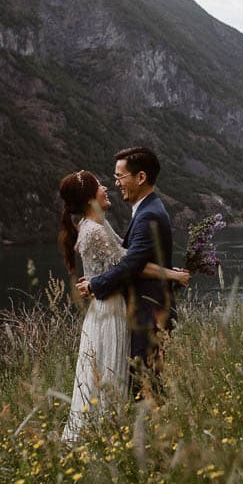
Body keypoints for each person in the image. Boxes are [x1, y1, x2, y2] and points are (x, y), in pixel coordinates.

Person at [58, 169, 187, 442]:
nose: (106, 187)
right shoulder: (93, 230)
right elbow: (131, 265)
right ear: (90, 198)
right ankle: (100, 437)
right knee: (108, 373)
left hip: (111, 306)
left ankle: (105, 436)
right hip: (109, 311)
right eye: (99, 186)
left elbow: (126, 259)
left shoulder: (96, 225)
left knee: (108, 374)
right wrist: (173, 274)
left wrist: (94, 280)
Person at [76, 147, 176, 398]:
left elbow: (131, 265)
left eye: (120, 177)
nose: (116, 183)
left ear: (140, 177)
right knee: (140, 383)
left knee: (145, 386)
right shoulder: (147, 210)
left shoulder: (148, 215)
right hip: (139, 310)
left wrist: (94, 285)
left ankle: (149, 434)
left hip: (147, 312)